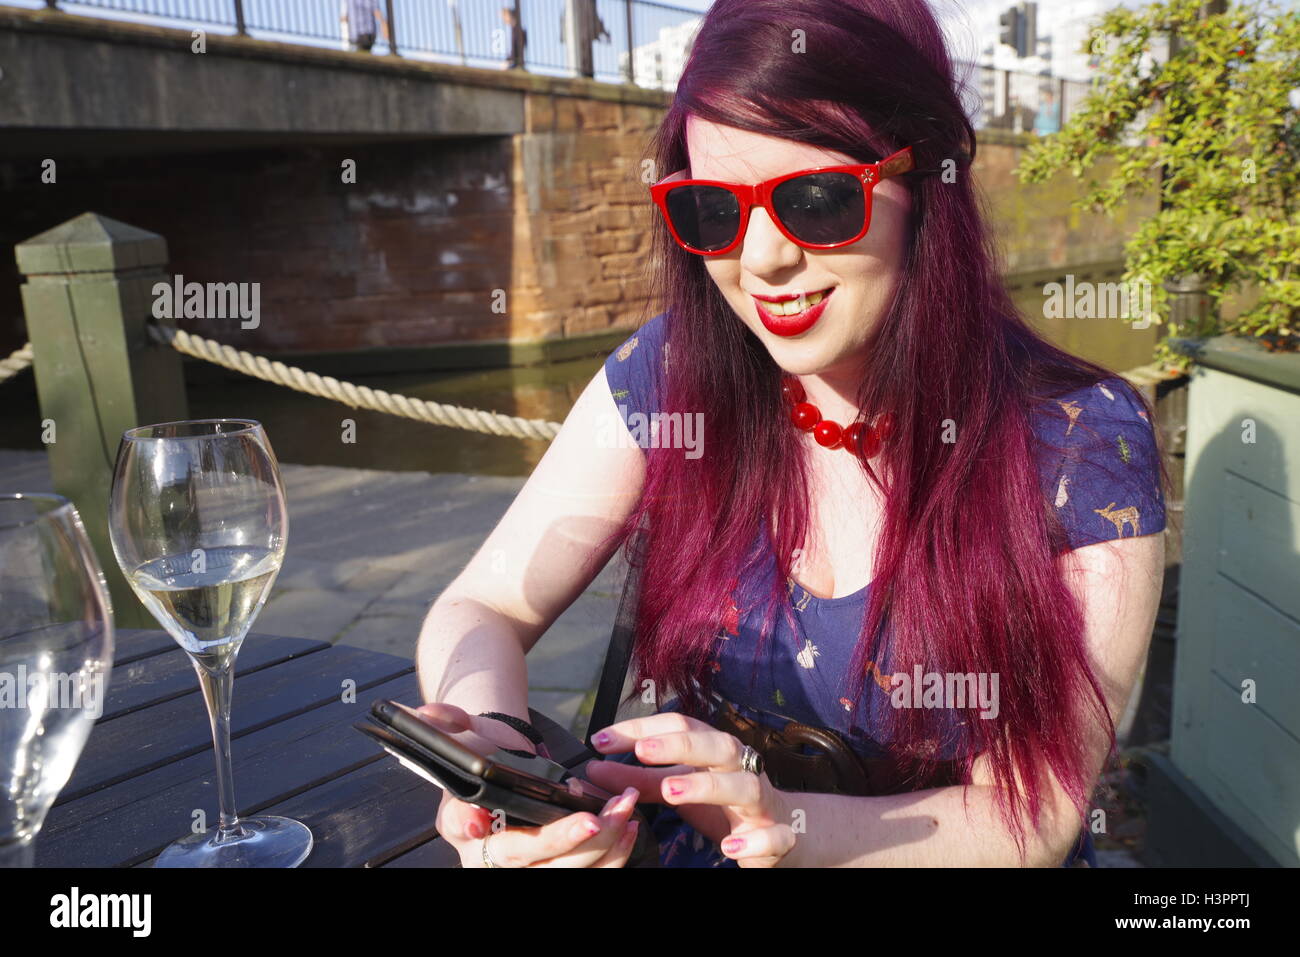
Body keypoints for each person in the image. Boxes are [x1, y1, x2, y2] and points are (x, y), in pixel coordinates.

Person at [415, 0, 1165, 868]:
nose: (761, 257)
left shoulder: (1078, 443)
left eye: (815, 199)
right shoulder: (674, 374)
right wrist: (497, 752)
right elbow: (485, 606)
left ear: (929, 183)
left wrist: (783, 825)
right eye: (710, 210)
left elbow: (1033, 817)